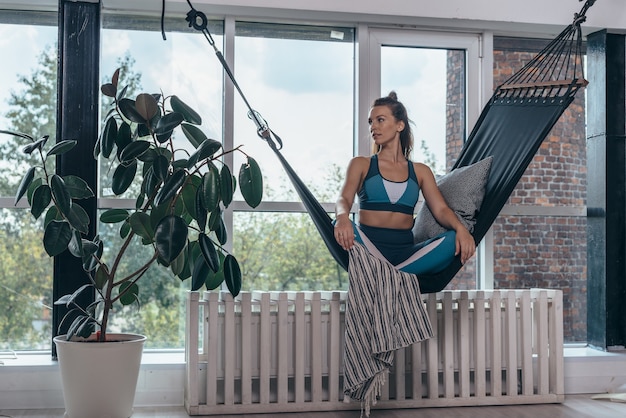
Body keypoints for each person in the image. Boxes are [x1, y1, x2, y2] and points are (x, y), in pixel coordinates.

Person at [334, 91, 476, 275]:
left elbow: (441, 210)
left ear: (399, 125)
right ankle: (398, 275)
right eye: (371, 121)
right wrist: (342, 218)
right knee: (334, 223)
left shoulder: (420, 171)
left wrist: (461, 229)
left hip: (405, 253)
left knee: (451, 239)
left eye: (380, 120)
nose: (373, 127)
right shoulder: (361, 164)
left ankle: (387, 275)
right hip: (368, 248)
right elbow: (343, 200)